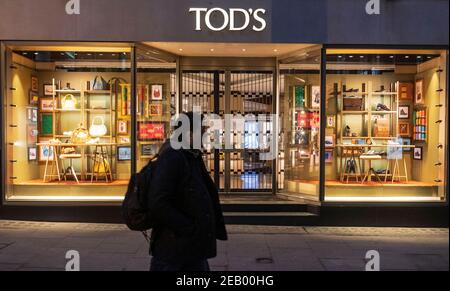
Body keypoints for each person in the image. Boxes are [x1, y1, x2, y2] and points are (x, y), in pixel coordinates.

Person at [148, 112, 228, 271]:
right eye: (203, 131)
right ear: (189, 133)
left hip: (190, 248)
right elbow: (158, 202)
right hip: (174, 251)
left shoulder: (191, 156)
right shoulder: (173, 157)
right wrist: (188, 228)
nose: (206, 135)